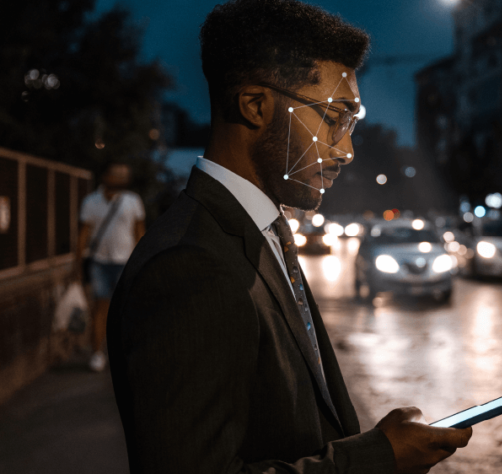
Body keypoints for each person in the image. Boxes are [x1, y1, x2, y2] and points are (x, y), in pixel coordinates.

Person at [106, 1, 471, 473]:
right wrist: (377, 457)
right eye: (333, 118)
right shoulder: (190, 266)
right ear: (255, 105)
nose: (347, 150)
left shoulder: (258, 229)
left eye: (352, 123)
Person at [76, 161, 145, 372]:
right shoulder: (91, 201)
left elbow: (139, 232)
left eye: (124, 174)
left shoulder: (133, 201)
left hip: (126, 262)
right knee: (100, 308)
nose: (122, 177)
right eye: (117, 173)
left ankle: (125, 353)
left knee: (126, 309)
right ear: (105, 175)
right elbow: (84, 234)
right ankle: (97, 354)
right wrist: (76, 265)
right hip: (99, 262)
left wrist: (141, 261)